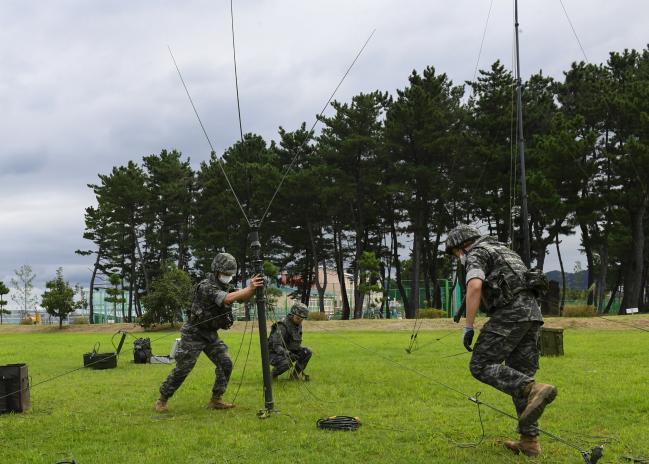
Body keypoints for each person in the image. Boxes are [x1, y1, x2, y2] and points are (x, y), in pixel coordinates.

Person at [445, 224, 557, 457]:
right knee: (518, 375)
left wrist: (468, 326)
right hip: (533, 315)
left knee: (480, 365)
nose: (458, 258)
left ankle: (536, 389)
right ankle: (529, 442)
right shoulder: (505, 251)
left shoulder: (476, 253)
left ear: (461, 246)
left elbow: (475, 286)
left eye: (456, 254)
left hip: (510, 314)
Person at [155, 252, 263, 412]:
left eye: (230, 274)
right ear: (217, 271)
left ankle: (216, 399)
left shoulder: (225, 286)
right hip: (194, 333)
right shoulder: (206, 286)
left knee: (225, 363)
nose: (228, 277)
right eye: (226, 274)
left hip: (210, 334)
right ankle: (162, 399)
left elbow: (241, 297)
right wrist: (250, 287)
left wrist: (254, 287)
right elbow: (227, 299)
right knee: (184, 368)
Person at [268, 302, 312, 381]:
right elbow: (276, 346)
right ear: (292, 315)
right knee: (287, 362)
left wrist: (297, 351)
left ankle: (294, 376)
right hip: (273, 353)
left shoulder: (297, 324)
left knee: (307, 352)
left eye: (302, 319)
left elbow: (295, 343)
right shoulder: (282, 325)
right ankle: (272, 375)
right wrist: (288, 353)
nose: (300, 321)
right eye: (298, 318)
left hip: (289, 350)